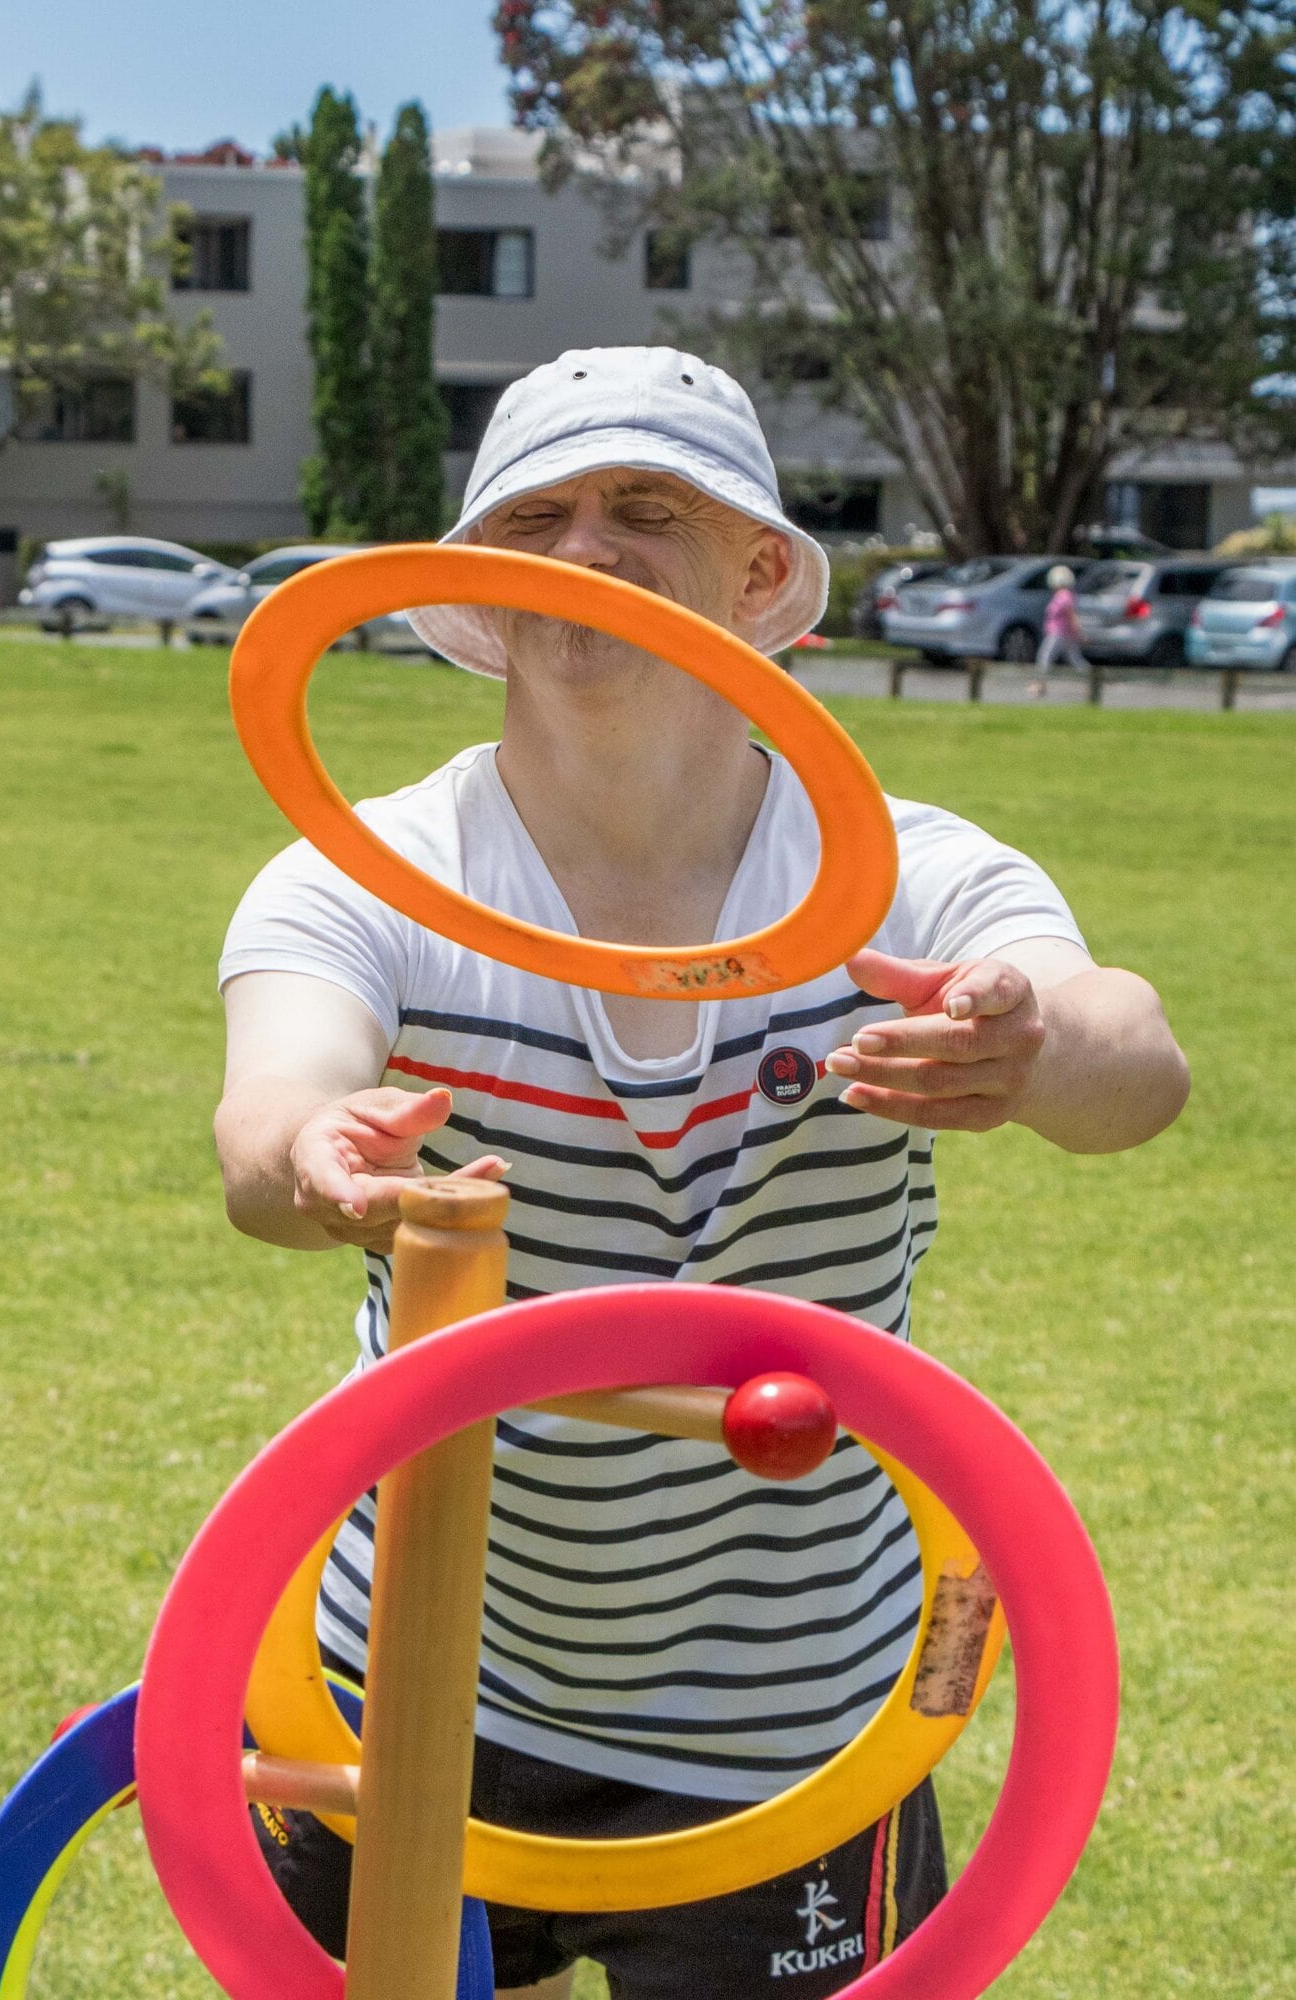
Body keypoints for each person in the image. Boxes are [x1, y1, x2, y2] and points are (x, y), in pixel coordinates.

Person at [215, 346, 1189, 1999]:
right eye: (539, 513)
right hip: (422, 1668)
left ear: (752, 575)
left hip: (795, 1707)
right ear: (474, 571)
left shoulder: (911, 877)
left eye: (642, 510)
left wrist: (1031, 1053)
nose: (583, 548)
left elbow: (1133, 1062)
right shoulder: (361, 880)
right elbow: (269, 1113)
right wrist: (309, 1155)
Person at [1030, 563, 1086, 696]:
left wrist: (1079, 632)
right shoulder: (1064, 594)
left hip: (1058, 633)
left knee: (1044, 657)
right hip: (1063, 633)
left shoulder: (1064, 595)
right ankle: (1092, 679)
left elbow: (1071, 614)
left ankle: (1040, 685)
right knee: (1075, 660)